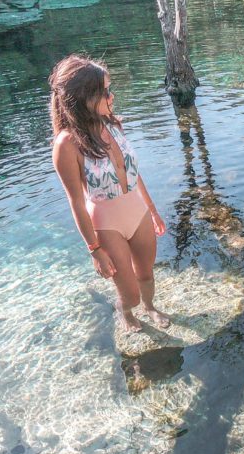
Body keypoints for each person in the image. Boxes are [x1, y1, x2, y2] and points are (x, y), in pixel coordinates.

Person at [48, 55, 171, 332]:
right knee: (130, 293)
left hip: (136, 212)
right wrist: (94, 249)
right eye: (104, 92)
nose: (112, 96)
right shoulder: (66, 145)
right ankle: (125, 311)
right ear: (82, 97)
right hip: (106, 222)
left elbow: (134, 173)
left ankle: (150, 308)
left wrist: (152, 210)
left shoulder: (112, 123)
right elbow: (76, 203)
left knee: (147, 273)